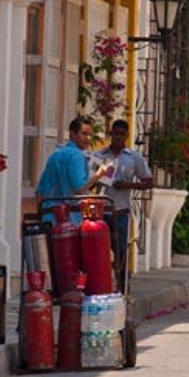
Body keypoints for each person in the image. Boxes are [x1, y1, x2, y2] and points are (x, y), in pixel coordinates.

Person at [95, 118, 153, 287]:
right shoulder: (100, 156)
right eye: (116, 133)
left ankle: (122, 282)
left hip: (121, 211)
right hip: (102, 211)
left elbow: (148, 182)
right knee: (100, 248)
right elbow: (89, 182)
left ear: (126, 136)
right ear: (110, 134)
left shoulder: (133, 158)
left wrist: (127, 185)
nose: (118, 137)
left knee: (120, 248)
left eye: (122, 134)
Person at [35, 115, 109, 212]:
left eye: (90, 135)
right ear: (73, 134)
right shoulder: (76, 156)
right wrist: (98, 174)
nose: (88, 138)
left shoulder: (56, 154)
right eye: (84, 134)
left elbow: (39, 192)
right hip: (68, 215)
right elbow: (80, 188)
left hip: (49, 214)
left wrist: (41, 214)